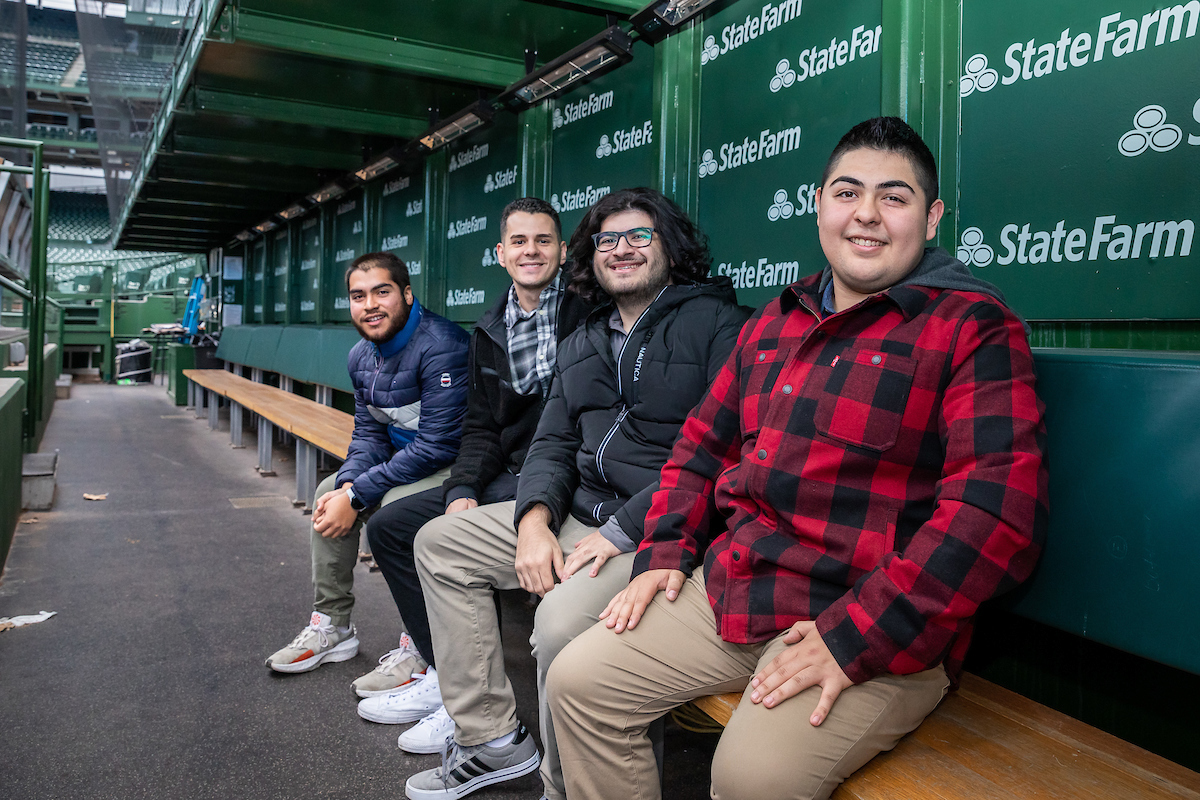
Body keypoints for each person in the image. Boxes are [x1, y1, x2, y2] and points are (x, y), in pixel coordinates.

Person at [546, 117, 1050, 800]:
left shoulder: (973, 326)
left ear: (931, 219)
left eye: (894, 198)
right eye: (847, 193)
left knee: (750, 778)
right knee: (577, 683)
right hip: (738, 588)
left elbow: (995, 516)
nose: (866, 214)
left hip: (871, 620)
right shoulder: (777, 320)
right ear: (819, 204)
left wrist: (857, 636)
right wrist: (665, 549)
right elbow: (699, 449)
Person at [402, 188, 750, 800]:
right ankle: (491, 741)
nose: (621, 249)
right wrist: (535, 518)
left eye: (639, 236)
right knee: (440, 542)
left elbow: (718, 455)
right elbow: (552, 443)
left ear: (669, 244)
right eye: (607, 239)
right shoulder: (584, 338)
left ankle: (560, 787)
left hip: (658, 530)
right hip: (576, 514)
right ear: (588, 256)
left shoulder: (719, 323)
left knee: (560, 622)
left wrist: (616, 535)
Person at [352, 197, 590, 754]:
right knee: (389, 527)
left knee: (442, 543)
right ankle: (444, 677)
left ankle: (480, 710)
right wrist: (461, 489)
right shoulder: (491, 328)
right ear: (500, 253)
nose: (531, 251)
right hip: (505, 473)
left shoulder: (587, 315)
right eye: (519, 242)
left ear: (561, 250)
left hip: (561, 480)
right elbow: (479, 430)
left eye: (543, 240)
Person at [264, 251, 469, 679]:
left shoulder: (443, 345)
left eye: (382, 291)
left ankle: (421, 643)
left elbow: (438, 445)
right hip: (407, 462)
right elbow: (368, 434)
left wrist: (359, 494)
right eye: (359, 296)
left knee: (392, 506)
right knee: (327, 492)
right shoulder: (361, 355)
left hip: (457, 469)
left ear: (407, 295)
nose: (370, 304)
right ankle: (332, 625)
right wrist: (350, 483)